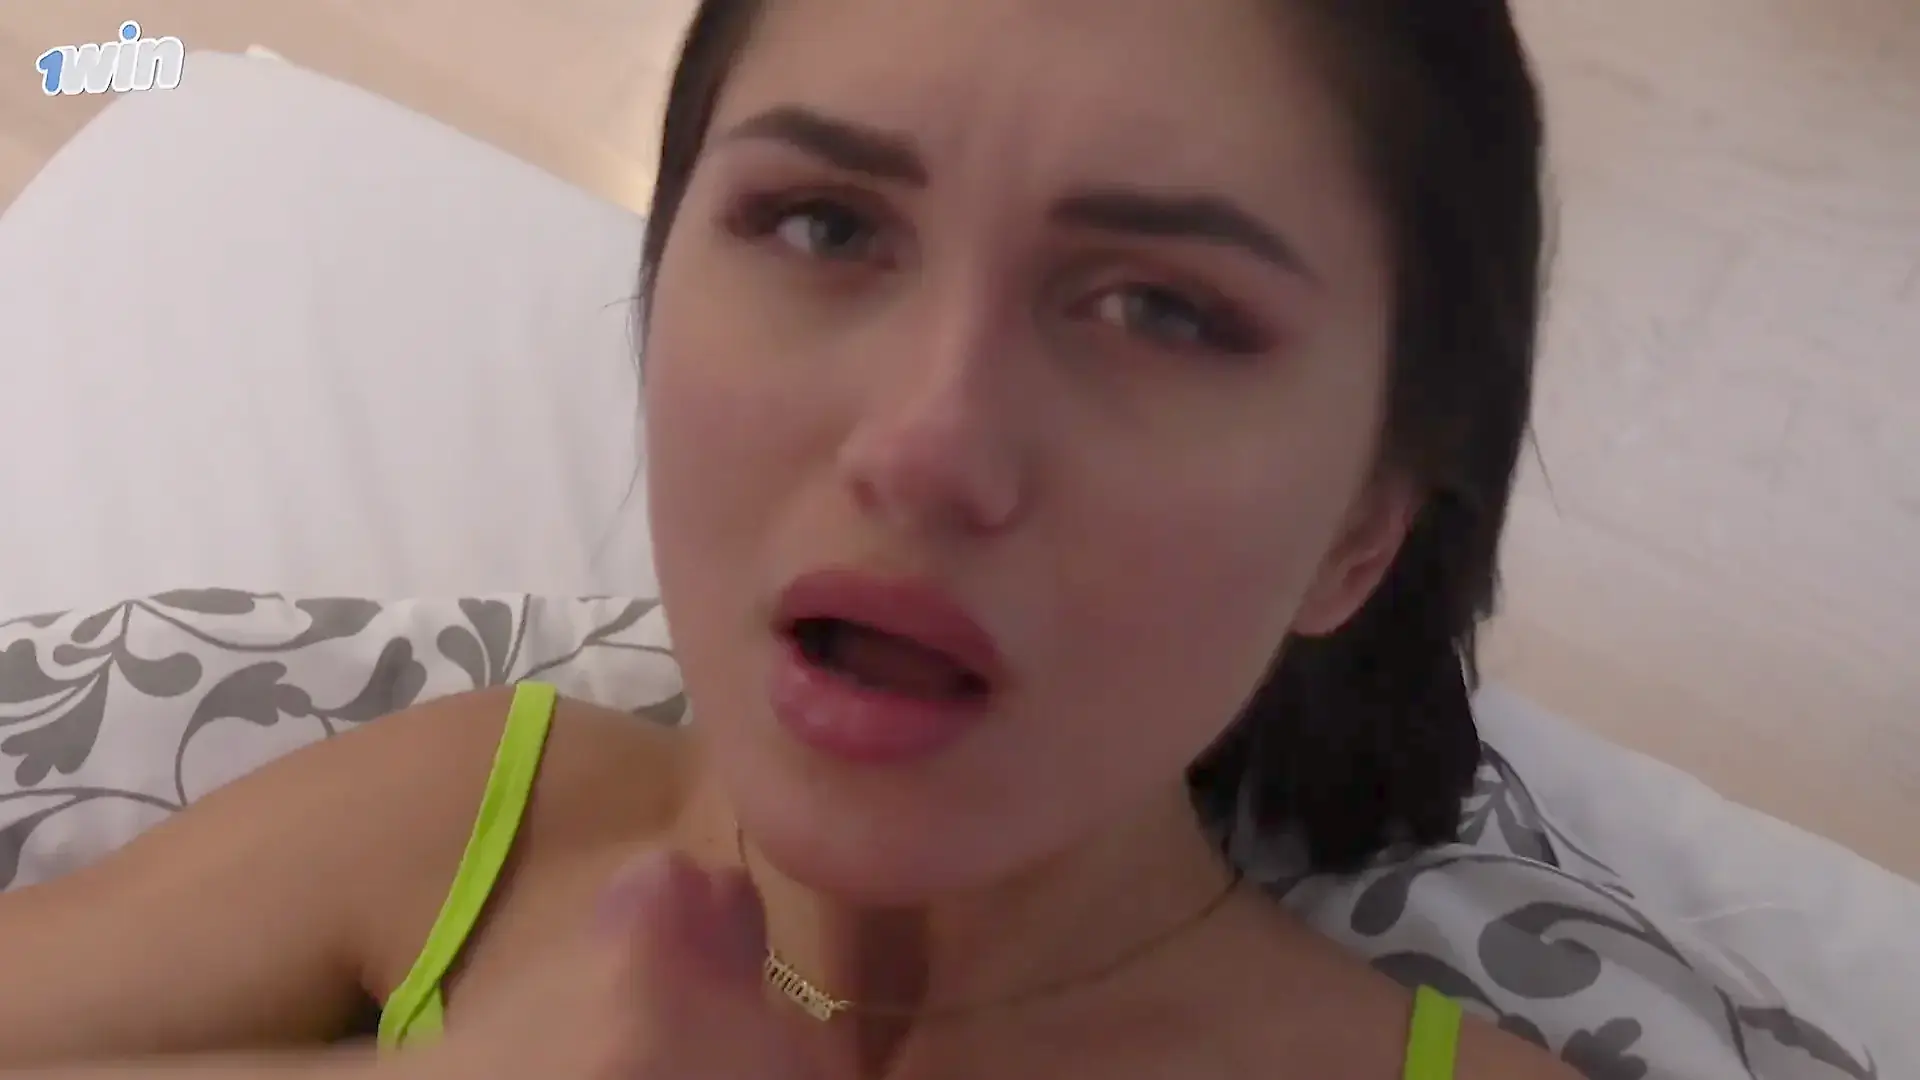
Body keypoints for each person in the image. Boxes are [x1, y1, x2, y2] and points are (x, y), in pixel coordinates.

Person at [0, 0, 1575, 1076]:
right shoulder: (480, 821)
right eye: (825, 223)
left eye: (1163, 311)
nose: (924, 442)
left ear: (1361, 526)